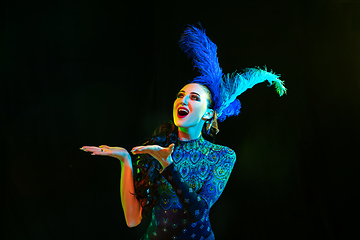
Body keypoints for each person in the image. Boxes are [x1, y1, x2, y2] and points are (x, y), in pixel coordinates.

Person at [80, 25, 286, 240]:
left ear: (208, 114)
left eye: (194, 98)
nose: (183, 100)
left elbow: (198, 212)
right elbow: (133, 220)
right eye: (181, 95)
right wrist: (125, 160)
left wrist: (168, 167)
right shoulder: (155, 148)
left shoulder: (222, 156)